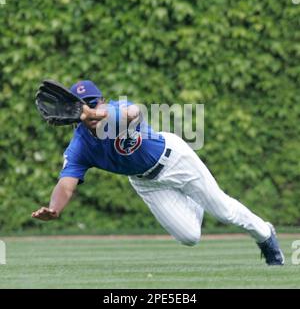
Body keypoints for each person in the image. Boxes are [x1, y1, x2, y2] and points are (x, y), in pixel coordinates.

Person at [32, 80, 284, 266]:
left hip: (175, 159)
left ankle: (265, 235)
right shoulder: (79, 147)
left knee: (224, 211)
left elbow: (135, 113)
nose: (87, 109)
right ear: (71, 115)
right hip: (147, 183)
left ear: (103, 101)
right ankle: (195, 199)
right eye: (80, 107)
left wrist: (91, 112)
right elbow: (66, 184)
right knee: (189, 237)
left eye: (92, 102)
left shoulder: (119, 108)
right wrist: (55, 209)